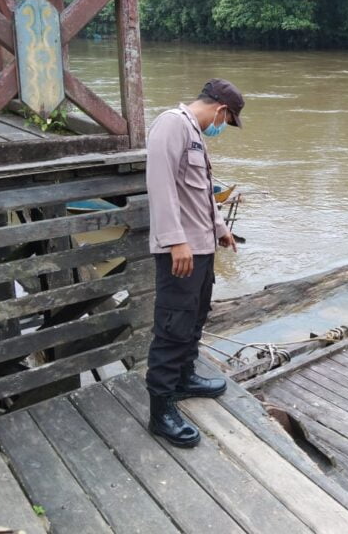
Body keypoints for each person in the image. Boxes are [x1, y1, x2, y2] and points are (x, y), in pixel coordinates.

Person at [145, 78, 245, 447]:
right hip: (181, 252)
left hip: (201, 248)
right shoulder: (171, 125)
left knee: (194, 320)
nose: (224, 128)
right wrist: (176, 241)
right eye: (228, 121)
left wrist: (220, 228)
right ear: (221, 110)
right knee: (172, 328)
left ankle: (185, 377)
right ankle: (161, 410)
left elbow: (200, 190)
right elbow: (161, 186)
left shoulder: (195, 134)